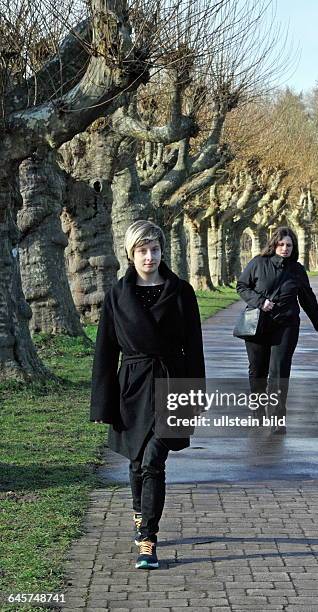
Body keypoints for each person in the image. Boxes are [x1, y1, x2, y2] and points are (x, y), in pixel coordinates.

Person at [90, 220, 205, 569]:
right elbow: (106, 352)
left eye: (154, 249)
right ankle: (140, 512)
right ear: (130, 253)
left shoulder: (182, 291)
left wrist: (195, 396)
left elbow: (194, 348)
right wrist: (103, 401)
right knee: (137, 460)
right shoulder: (116, 296)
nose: (149, 257)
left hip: (172, 381)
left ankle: (148, 539)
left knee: (155, 458)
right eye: (142, 250)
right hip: (133, 386)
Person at [236, 226, 318, 434]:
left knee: (279, 372)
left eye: (289, 245)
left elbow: (307, 298)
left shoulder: (297, 270)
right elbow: (242, 286)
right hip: (257, 325)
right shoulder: (258, 263)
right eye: (281, 244)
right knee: (258, 371)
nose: (285, 248)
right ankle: (257, 411)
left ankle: (277, 418)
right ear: (274, 245)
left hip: (286, 326)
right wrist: (260, 302)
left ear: (293, 248)